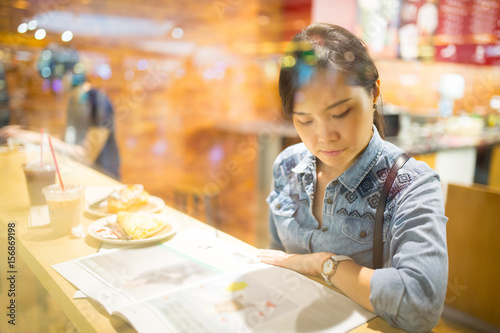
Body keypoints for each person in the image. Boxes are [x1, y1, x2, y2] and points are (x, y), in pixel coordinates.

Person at [256, 23, 447, 332]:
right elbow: (280, 261)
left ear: (374, 92)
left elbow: (420, 305)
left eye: (341, 113)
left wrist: (325, 264)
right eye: (305, 120)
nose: (324, 137)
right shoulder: (287, 165)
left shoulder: (410, 185)